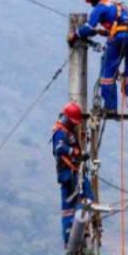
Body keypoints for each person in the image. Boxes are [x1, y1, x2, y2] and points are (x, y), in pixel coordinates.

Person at [70, 0, 128, 115]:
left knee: (108, 74)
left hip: (118, 39)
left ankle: (111, 107)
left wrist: (75, 35)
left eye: (91, 1)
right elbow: (122, 26)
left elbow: (88, 28)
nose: (91, 5)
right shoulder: (119, 6)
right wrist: (103, 32)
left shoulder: (100, 8)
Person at [51, 102, 92, 246]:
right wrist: (75, 152)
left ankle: (80, 228)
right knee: (78, 201)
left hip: (73, 172)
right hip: (68, 173)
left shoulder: (69, 132)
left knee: (82, 200)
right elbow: (59, 148)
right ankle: (72, 233)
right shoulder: (60, 133)